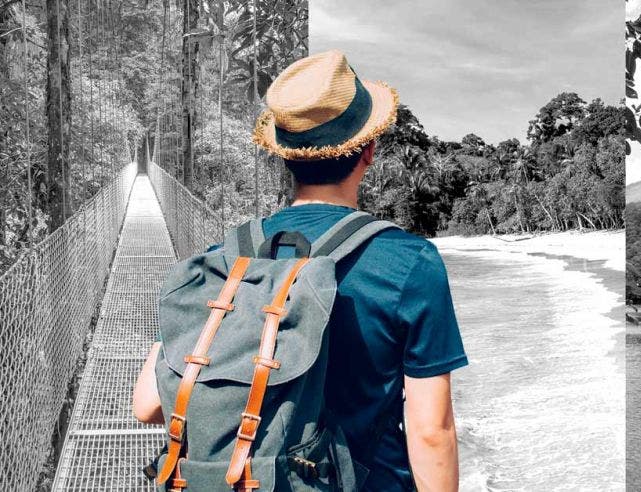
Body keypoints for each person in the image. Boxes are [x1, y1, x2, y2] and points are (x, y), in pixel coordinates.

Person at [133, 50, 468, 491]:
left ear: (284, 156)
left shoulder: (226, 258)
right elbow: (431, 432)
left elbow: (148, 404)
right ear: (369, 150)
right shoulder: (409, 263)